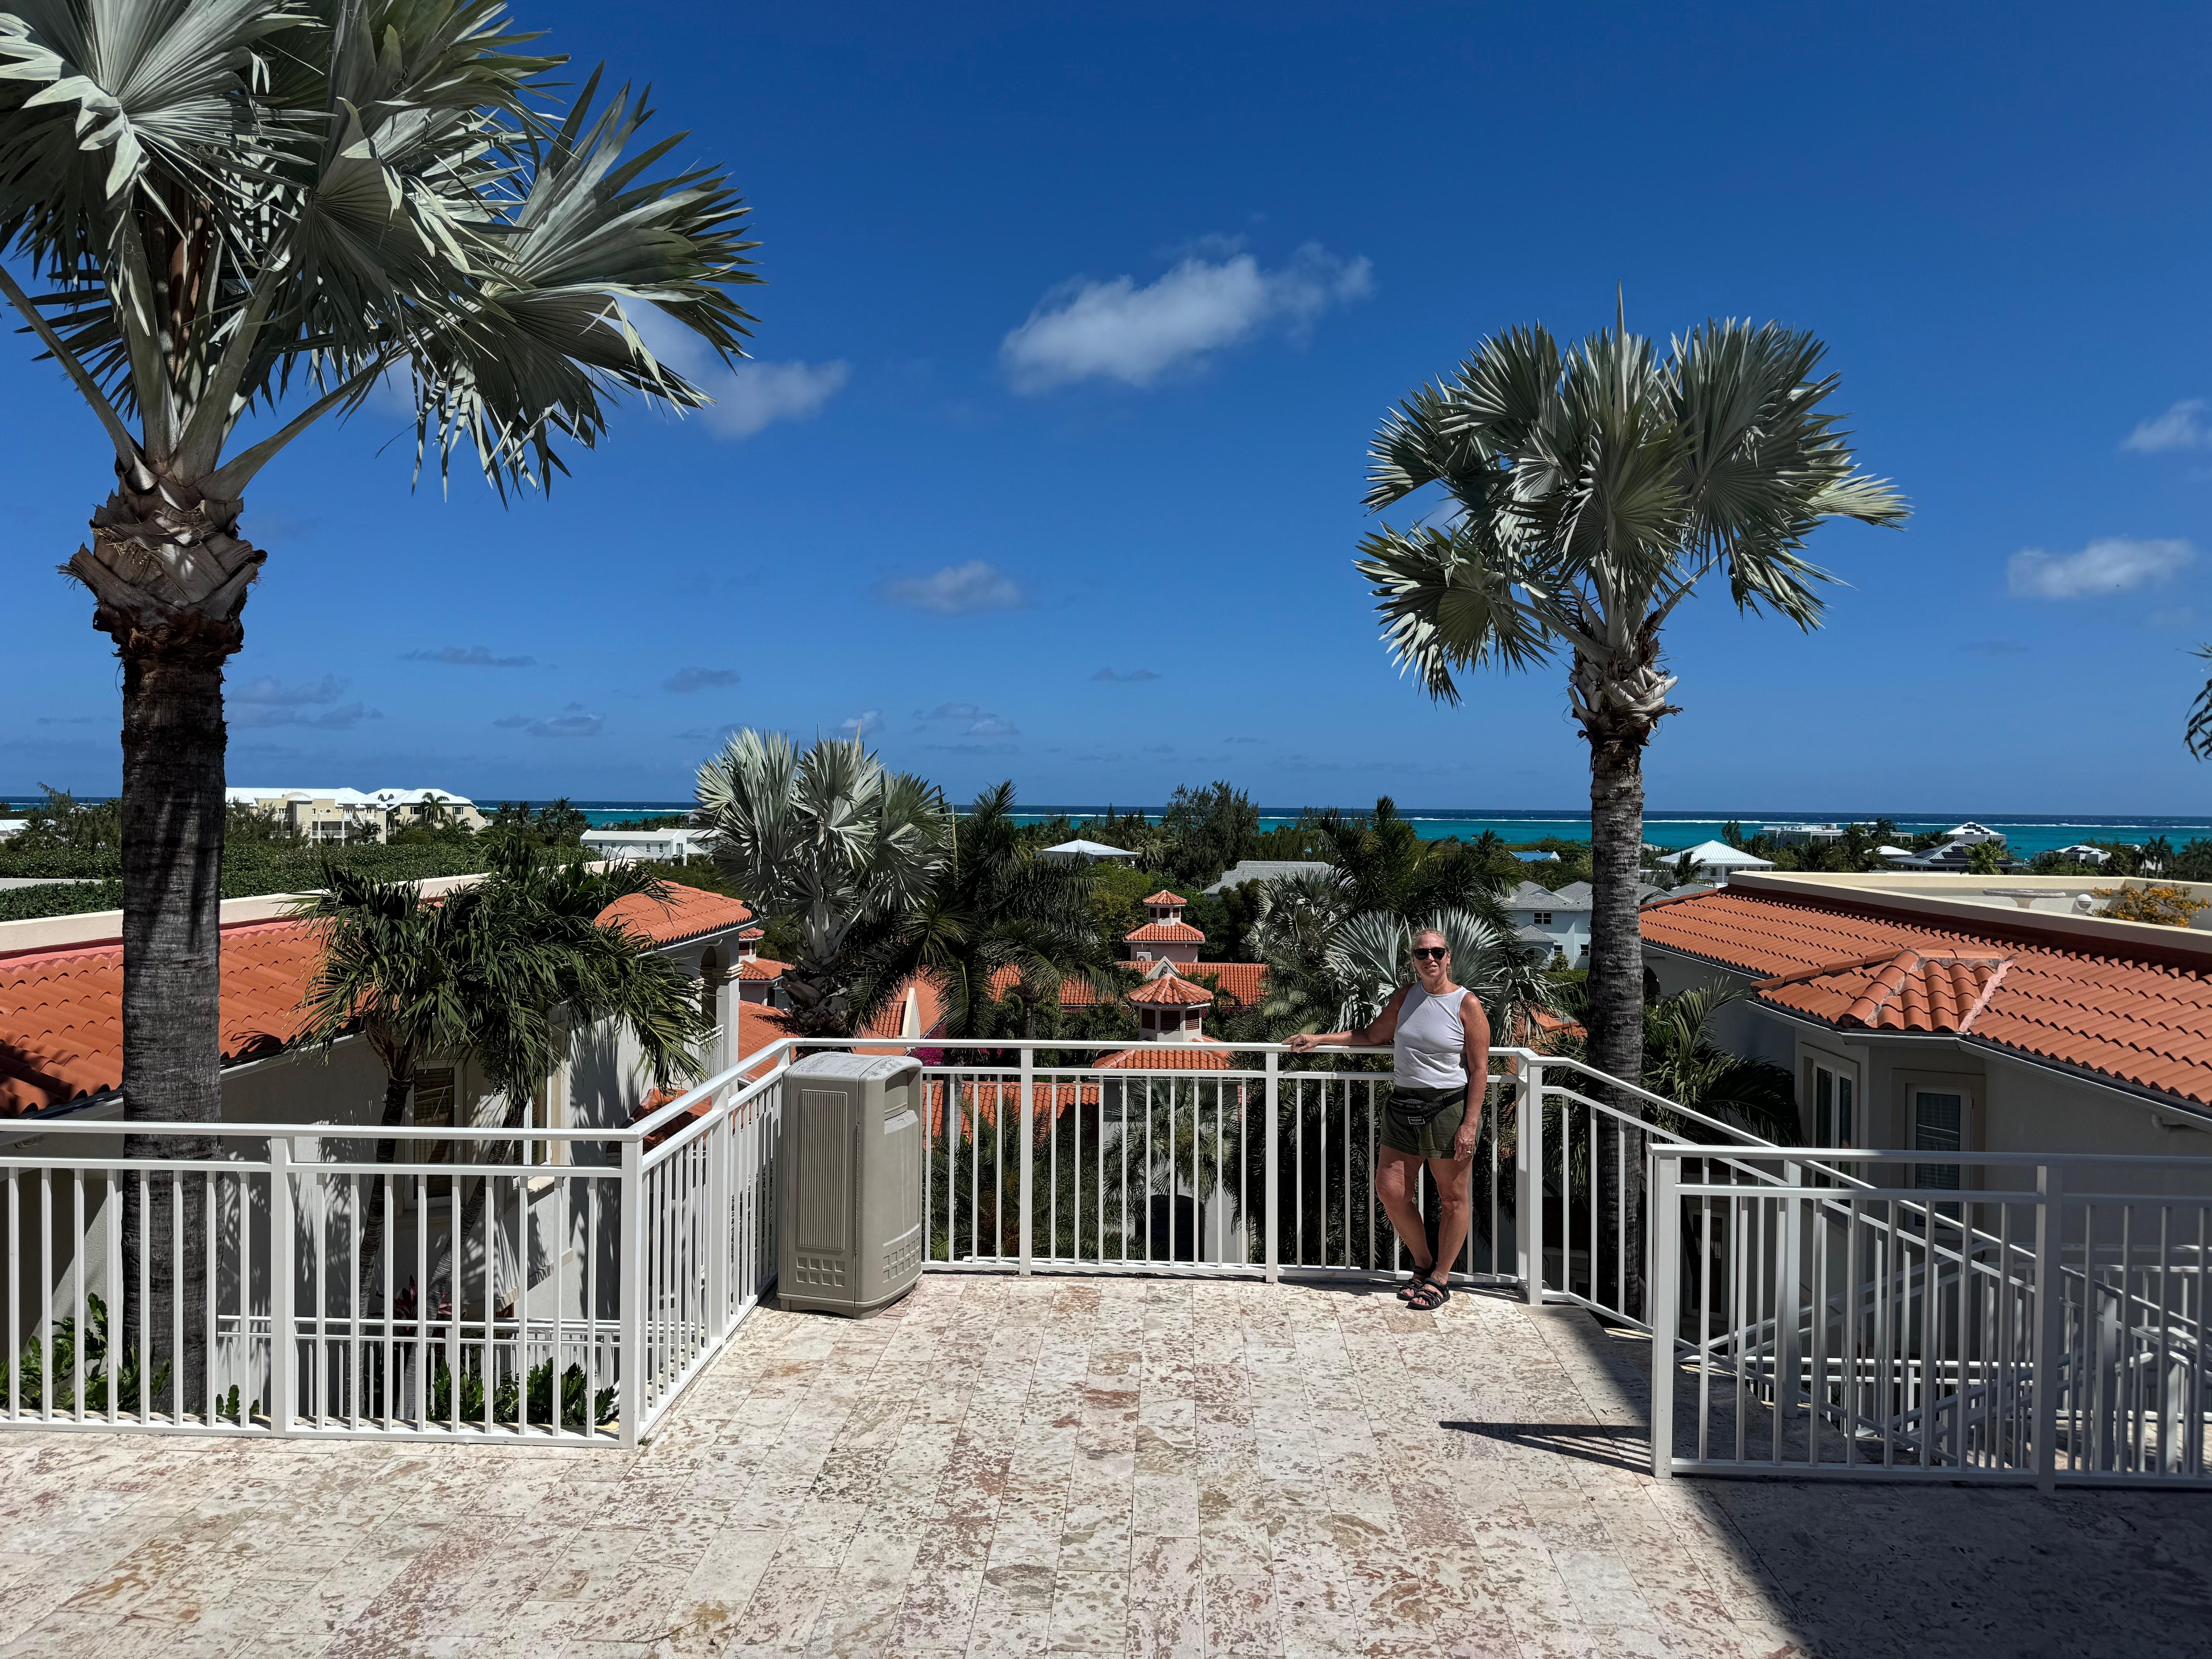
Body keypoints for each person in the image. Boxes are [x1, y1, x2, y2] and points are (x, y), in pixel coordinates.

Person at [1284, 927, 1490, 1310]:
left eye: (1437, 952)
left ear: (1449, 957)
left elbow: (1480, 1070)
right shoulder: (1406, 997)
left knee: (1453, 1198)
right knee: (1390, 1190)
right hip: (1402, 1107)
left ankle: (1441, 1278)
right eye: (1422, 953)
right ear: (1413, 960)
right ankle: (1424, 1263)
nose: (1430, 958)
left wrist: (1470, 1124)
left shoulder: (1467, 1004)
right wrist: (1320, 1039)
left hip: (1448, 1109)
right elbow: (1372, 1036)